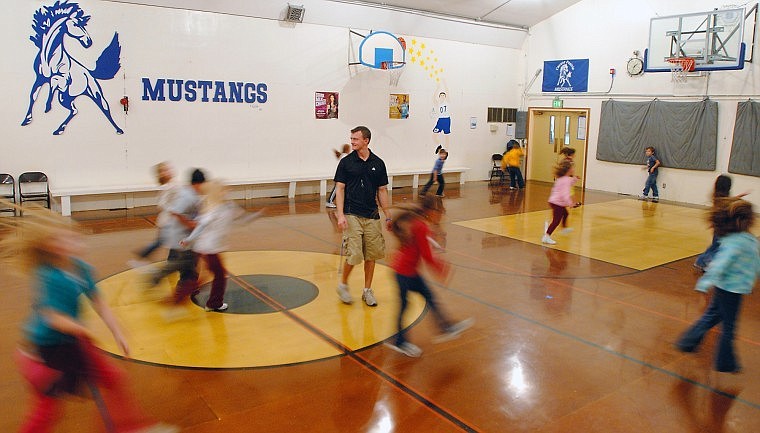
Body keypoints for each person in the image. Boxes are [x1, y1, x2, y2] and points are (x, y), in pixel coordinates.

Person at [0, 202, 178, 433]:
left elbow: (99, 302)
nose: (76, 242)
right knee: (48, 409)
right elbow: (52, 317)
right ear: (51, 246)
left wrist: (117, 331)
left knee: (113, 378)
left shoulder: (80, 268)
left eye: (73, 236)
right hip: (46, 349)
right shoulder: (49, 276)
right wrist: (81, 329)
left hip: (73, 339)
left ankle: (130, 427)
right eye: (66, 239)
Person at [676, 198, 760, 373]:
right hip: (730, 289)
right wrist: (706, 282)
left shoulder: (743, 240)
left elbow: (754, 262)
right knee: (729, 326)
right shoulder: (740, 242)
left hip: (729, 286)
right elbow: (720, 264)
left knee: (712, 315)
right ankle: (725, 363)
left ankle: (687, 342)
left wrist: (751, 278)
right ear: (744, 220)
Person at [386, 194, 473, 357]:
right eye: (440, 210)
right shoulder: (420, 225)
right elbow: (426, 256)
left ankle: (445, 327)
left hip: (408, 271)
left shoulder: (418, 223)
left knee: (429, 298)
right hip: (403, 272)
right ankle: (399, 342)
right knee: (405, 305)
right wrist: (442, 269)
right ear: (431, 211)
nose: (441, 214)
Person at [180, 180, 265, 312]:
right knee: (219, 275)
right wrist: (189, 239)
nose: (227, 192)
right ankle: (213, 303)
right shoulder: (214, 208)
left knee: (209, 275)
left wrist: (257, 215)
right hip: (207, 248)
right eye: (223, 190)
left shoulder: (228, 205)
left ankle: (179, 297)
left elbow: (242, 219)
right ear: (217, 193)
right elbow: (201, 226)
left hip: (212, 247)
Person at [334, 126, 392, 306]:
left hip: (372, 215)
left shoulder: (378, 163)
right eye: (351, 139)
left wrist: (387, 214)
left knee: (371, 255)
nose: (352, 142)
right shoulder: (346, 163)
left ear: (366, 141)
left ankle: (367, 290)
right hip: (352, 213)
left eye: (355, 139)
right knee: (354, 254)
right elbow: (340, 189)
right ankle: (343, 285)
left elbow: (382, 190)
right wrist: (340, 215)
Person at [147, 168, 205, 312]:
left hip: (184, 238)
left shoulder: (192, 194)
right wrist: (191, 224)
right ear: (198, 183)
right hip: (182, 238)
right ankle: (166, 286)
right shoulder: (189, 195)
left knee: (188, 267)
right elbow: (175, 211)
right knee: (184, 264)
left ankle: (181, 292)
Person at [694, 175, 749, 272]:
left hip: (718, 226)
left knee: (715, 246)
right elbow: (727, 203)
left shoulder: (717, 195)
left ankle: (701, 261)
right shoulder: (721, 199)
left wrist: (738, 197)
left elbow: (727, 201)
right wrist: (738, 199)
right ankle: (705, 263)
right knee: (718, 247)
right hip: (722, 227)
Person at [128, 162, 178, 268]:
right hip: (168, 222)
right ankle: (144, 257)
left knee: (169, 243)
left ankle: (168, 264)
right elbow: (162, 205)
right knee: (167, 243)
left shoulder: (171, 186)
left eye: (168, 169)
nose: (168, 171)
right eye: (165, 170)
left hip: (170, 221)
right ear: (161, 174)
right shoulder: (169, 187)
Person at [542, 161, 580, 245]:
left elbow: (570, 181)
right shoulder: (566, 180)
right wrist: (570, 203)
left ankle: (564, 228)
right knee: (556, 221)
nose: (573, 169)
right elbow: (565, 194)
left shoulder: (562, 178)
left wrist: (575, 179)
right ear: (569, 170)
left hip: (554, 201)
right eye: (572, 168)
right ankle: (547, 236)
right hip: (558, 203)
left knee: (565, 214)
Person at [327, 144, 351, 208]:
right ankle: (329, 201)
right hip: (340, 175)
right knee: (336, 189)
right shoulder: (345, 156)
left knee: (343, 189)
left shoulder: (343, 155)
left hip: (343, 175)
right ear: (347, 149)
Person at [432, 81, 451, 151]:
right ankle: (439, 145)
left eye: (443, 96)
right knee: (434, 135)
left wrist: (445, 83)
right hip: (440, 120)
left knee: (447, 136)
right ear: (439, 97)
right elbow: (433, 98)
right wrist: (437, 88)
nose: (442, 97)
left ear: (445, 97)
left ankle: (446, 150)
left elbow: (447, 92)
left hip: (446, 120)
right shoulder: (438, 104)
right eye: (441, 96)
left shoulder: (447, 102)